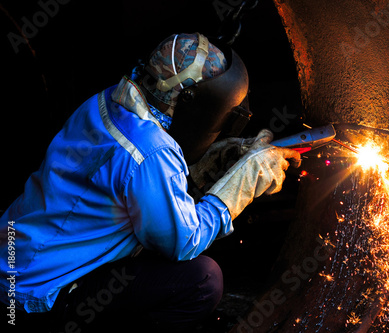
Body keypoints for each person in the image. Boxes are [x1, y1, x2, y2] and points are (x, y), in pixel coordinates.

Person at [0, 32, 300, 332]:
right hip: (34, 303)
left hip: (13, 264)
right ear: (189, 99)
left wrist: (209, 165)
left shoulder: (107, 100)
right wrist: (241, 183)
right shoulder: (151, 150)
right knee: (203, 280)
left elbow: (123, 183)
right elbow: (184, 242)